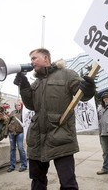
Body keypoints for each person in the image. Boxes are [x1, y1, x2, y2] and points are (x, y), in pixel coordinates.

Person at [13, 48, 96, 190]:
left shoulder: (67, 75)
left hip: (61, 137)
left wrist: (89, 88)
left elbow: (83, 95)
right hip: (37, 139)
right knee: (37, 181)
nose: (31, 61)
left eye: (34, 58)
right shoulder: (36, 83)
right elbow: (31, 106)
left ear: (46, 58)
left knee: (68, 183)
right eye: (31, 59)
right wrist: (24, 85)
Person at [7, 101, 28, 172]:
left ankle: (24, 165)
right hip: (11, 132)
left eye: (19, 105)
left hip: (20, 132)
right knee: (12, 149)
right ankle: (12, 166)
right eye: (16, 105)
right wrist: (5, 132)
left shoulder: (24, 113)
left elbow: (26, 122)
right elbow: (8, 122)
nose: (18, 106)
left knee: (20, 148)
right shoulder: (12, 112)